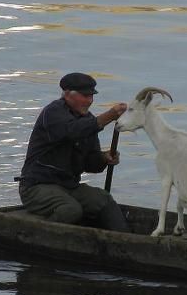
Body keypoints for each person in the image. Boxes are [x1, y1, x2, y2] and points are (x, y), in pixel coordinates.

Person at [17, 72, 129, 231]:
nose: (89, 101)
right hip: (36, 187)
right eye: (85, 96)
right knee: (71, 210)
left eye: (91, 96)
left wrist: (104, 157)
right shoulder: (53, 112)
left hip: (68, 186)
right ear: (68, 94)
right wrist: (109, 116)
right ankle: (41, 233)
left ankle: (122, 238)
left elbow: (91, 164)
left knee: (103, 199)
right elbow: (72, 131)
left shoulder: (88, 121)